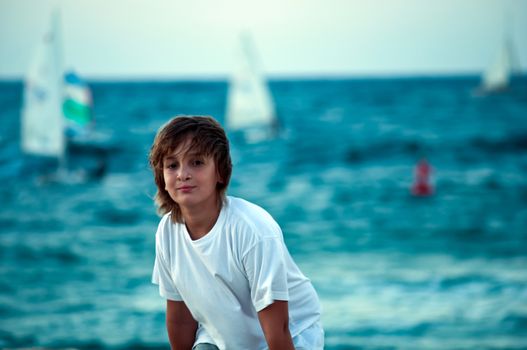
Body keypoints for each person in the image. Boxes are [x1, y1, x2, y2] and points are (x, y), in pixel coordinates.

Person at [149, 115, 323, 350]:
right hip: (223, 339)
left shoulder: (252, 230)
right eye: (172, 165)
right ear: (162, 177)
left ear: (220, 172)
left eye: (197, 162)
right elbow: (180, 319)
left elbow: (278, 329)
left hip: (290, 337)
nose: (183, 174)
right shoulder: (167, 232)